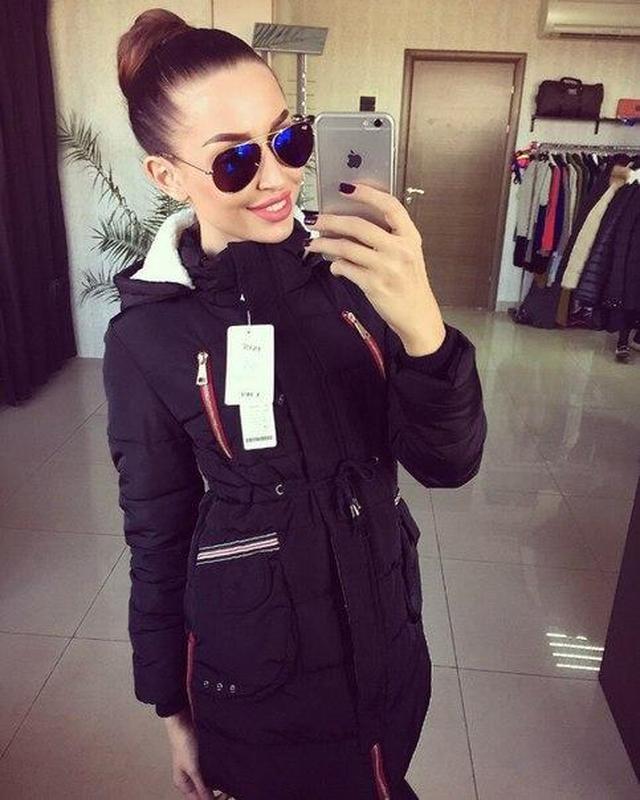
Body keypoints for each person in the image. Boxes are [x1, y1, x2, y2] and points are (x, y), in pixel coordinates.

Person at [103, 8, 487, 800]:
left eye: (288, 138)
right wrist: (169, 707)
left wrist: (423, 327)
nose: (277, 177)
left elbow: (447, 465)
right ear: (167, 177)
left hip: (386, 631)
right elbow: (156, 529)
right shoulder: (149, 334)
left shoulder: (355, 275)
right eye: (236, 160)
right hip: (256, 673)